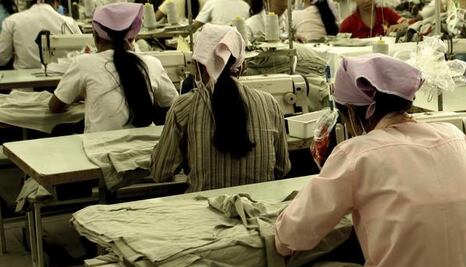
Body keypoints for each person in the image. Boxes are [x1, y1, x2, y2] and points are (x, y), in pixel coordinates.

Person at [274, 54, 466, 267]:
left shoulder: (358, 153)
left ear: (357, 112)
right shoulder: (455, 137)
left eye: (344, 117)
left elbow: (292, 236)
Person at [150, 24, 290, 192]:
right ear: (242, 66)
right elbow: (282, 169)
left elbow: (160, 173)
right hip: (258, 210)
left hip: (204, 214)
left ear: (196, 66)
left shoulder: (183, 107)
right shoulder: (269, 104)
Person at [48, 3, 178, 133]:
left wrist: (80, 95)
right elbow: (175, 105)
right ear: (132, 37)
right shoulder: (152, 63)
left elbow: (54, 106)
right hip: (147, 147)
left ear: (96, 36)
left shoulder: (83, 63)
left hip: (99, 149)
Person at [0, 0, 79, 69]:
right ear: (57, 2)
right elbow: (85, 52)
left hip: (24, 83)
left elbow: (2, 58)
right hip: (61, 83)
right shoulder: (69, 22)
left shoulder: (12, 21)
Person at [339, 0, 404, 38]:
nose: (367, 1)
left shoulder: (386, 12)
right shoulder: (347, 24)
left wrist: (401, 25)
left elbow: (405, 23)